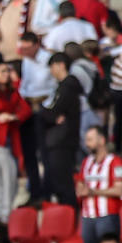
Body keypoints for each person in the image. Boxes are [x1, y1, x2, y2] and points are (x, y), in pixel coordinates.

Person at [40, 53, 80, 210]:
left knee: (63, 183)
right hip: (62, 139)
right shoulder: (63, 87)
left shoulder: (67, 87)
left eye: (52, 66)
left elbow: (54, 111)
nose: (51, 71)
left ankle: (68, 213)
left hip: (62, 141)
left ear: (61, 65)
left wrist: (43, 111)